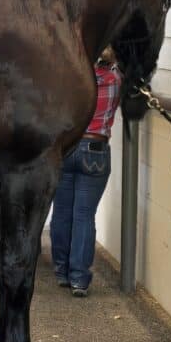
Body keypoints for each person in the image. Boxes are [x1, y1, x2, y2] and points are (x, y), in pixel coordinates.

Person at [49, 47, 122, 297]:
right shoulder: (115, 80)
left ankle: (61, 270)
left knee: (61, 211)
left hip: (68, 148)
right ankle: (79, 279)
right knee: (83, 215)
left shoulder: (71, 78)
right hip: (95, 149)